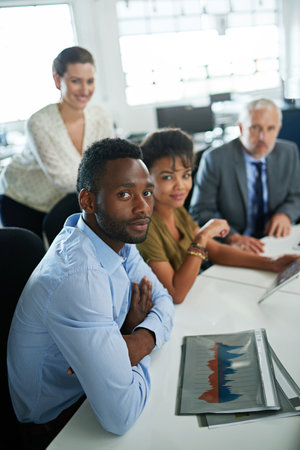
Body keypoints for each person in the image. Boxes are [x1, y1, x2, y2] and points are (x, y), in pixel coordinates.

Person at [7, 138, 174, 448]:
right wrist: (129, 340)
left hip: (89, 392)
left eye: (147, 192)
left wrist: (141, 339)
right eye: (125, 194)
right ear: (88, 201)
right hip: (58, 421)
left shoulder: (119, 238)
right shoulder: (77, 276)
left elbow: (164, 300)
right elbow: (120, 418)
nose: (142, 207)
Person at [137, 128, 300, 304]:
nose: (180, 186)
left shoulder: (174, 209)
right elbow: (176, 293)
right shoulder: (145, 227)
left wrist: (272, 262)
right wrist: (203, 236)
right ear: (146, 178)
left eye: (186, 175)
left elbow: (216, 250)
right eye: (167, 177)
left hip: (197, 297)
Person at [0, 46, 113, 238]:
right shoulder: (39, 122)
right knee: (34, 260)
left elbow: (110, 160)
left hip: (64, 202)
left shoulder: (100, 116)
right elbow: (63, 181)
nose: (85, 90)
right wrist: (111, 184)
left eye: (90, 81)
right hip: (22, 200)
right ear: (57, 80)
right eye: (75, 81)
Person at [189, 98, 300, 254]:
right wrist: (231, 237)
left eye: (270, 128)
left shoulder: (289, 152)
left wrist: (285, 214)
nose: (263, 137)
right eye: (255, 128)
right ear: (241, 128)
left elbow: (296, 195)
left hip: (276, 239)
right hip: (233, 245)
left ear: (279, 129)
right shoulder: (215, 159)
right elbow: (200, 212)